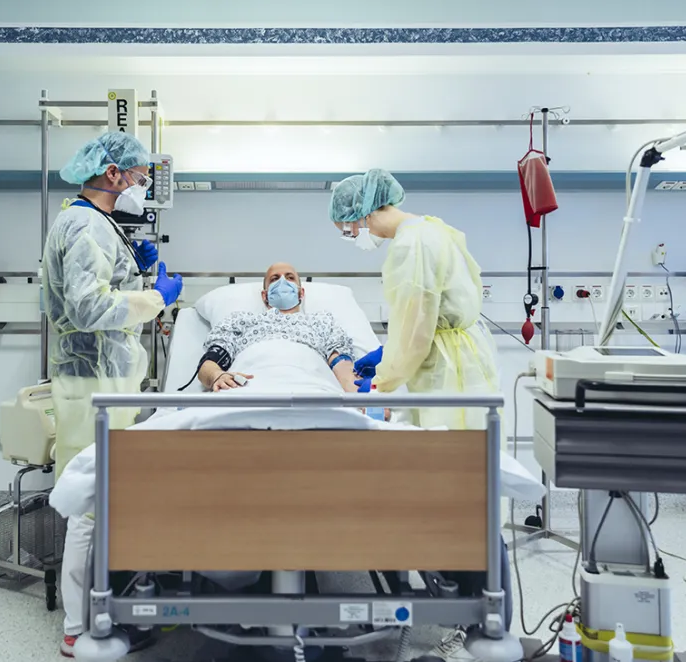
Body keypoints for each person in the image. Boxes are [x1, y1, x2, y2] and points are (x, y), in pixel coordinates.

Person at [42, 131, 183, 658]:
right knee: (88, 503)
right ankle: (77, 628)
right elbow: (89, 310)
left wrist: (136, 261)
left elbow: (102, 288)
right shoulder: (83, 225)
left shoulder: (97, 224)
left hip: (106, 380)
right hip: (91, 383)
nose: (143, 186)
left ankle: (111, 605)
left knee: (106, 499)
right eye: (141, 177)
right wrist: (157, 298)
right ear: (113, 174)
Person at [328, 168, 499, 430]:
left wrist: (380, 382)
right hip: (465, 355)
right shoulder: (432, 228)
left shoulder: (410, 246)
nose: (353, 239)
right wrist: (387, 353)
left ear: (363, 216)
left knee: (449, 452)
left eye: (349, 232)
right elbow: (427, 315)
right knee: (475, 448)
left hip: (445, 368)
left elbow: (414, 332)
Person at [196, 262, 359, 393]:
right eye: (274, 279)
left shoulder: (323, 322)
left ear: (301, 293)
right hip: (247, 389)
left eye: (290, 278)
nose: (282, 282)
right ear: (264, 295)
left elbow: (342, 367)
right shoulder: (240, 321)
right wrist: (216, 376)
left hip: (311, 387)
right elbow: (208, 365)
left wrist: (360, 400)